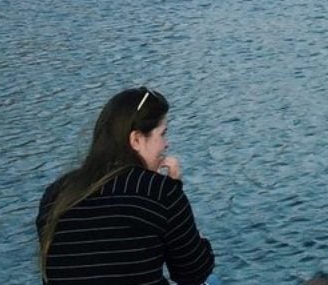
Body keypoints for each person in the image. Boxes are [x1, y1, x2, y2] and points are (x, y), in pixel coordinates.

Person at [37, 87, 215, 285]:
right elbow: (193, 272)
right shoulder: (160, 191)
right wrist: (174, 194)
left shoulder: (56, 194)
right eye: (163, 134)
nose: (166, 145)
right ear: (136, 139)